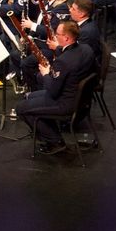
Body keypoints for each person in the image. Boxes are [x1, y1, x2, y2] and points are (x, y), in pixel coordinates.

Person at [15, 20, 96, 154]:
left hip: (65, 103)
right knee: (31, 96)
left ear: (66, 38)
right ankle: (50, 130)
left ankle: (54, 141)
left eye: (57, 34)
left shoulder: (62, 62)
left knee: (21, 108)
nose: (54, 36)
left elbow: (52, 91)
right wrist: (58, 48)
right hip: (82, 99)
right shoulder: (86, 49)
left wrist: (46, 74)